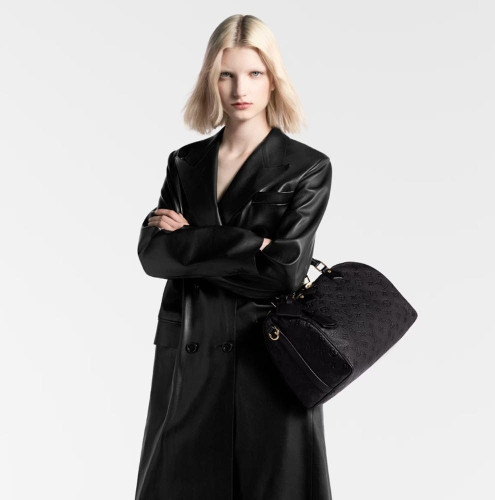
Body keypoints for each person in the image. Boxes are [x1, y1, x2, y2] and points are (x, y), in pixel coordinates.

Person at [135, 14, 333, 500]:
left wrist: (193, 241)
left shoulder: (307, 167)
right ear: (211, 80)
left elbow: (283, 274)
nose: (240, 89)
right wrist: (250, 245)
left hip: (268, 359)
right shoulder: (185, 162)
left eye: (254, 73)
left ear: (273, 80)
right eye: (226, 75)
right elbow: (155, 254)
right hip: (190, 354)